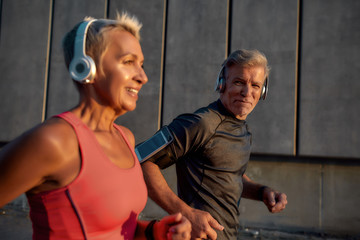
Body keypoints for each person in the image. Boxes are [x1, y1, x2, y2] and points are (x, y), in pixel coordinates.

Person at [0, 13, 191, 240]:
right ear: (86, 66)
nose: (143, 77)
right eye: (128, 62)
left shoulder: (125, 137)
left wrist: (155, 232)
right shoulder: (55, 140)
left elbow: (118, 229)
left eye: (141, 64)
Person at [140, 49, 288, 240]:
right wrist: (186, 213)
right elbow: (142, 161)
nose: (247, 92)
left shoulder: (242, 129)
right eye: (239, 82)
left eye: (255, 85)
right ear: (222, 83)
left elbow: (228, 176)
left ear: (263, 91)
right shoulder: (202, 123)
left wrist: (262, 192)